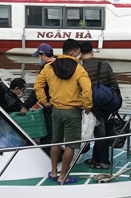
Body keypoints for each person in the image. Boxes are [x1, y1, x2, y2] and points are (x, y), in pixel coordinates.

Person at [34, 39, 92, 184]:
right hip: (72, 112)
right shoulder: (79, 69)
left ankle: (54, 172)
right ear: (73, 52)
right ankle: (63, 176)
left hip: (55, 110)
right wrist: (87, 106)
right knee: (71, 145)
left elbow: (38, 85)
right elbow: (87, 90)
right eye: (78, 52)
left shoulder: (49, 67)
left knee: (55, 142)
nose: (79, 55)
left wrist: (44, 101)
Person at [79, 41, 120, 169]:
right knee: (102, 130)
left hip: (93, 105)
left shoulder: (81, 69)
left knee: (100, 132)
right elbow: (114, 85)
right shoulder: (105, 65)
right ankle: (96, 159)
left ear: (80, 54)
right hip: (108, 103)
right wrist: (116, 105)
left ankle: (104, 162)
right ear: (92, 52)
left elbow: (81, 90)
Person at [20, 43, 56, 152]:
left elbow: (37, 90)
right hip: (63, 105)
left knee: (48, 136)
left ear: (43, 55)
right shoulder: (60, 65)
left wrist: (26, 106)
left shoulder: (45, 69)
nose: (39, 58)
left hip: (50, 107)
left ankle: (48, 156)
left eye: (39, 56)